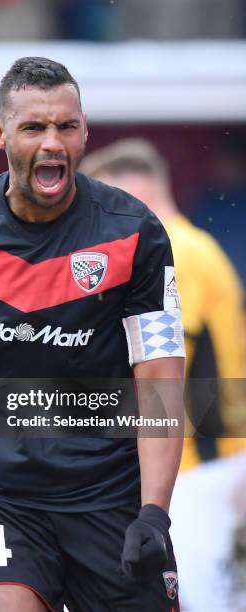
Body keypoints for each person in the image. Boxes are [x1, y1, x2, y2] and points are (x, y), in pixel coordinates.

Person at [0, 58, 185, 612]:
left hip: (111, 497)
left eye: (66, 127)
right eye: (34, 127)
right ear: (1, 133)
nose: (53, 142)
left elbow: (160, 383)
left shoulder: (136, 234)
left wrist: (154, 511)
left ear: (84, 131)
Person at [80, 137, 246, 610]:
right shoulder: (195, 248)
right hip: (204, 468)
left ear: (137, 195)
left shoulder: (179, 251)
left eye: (107, 204)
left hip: (199, 475)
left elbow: (160, 378)